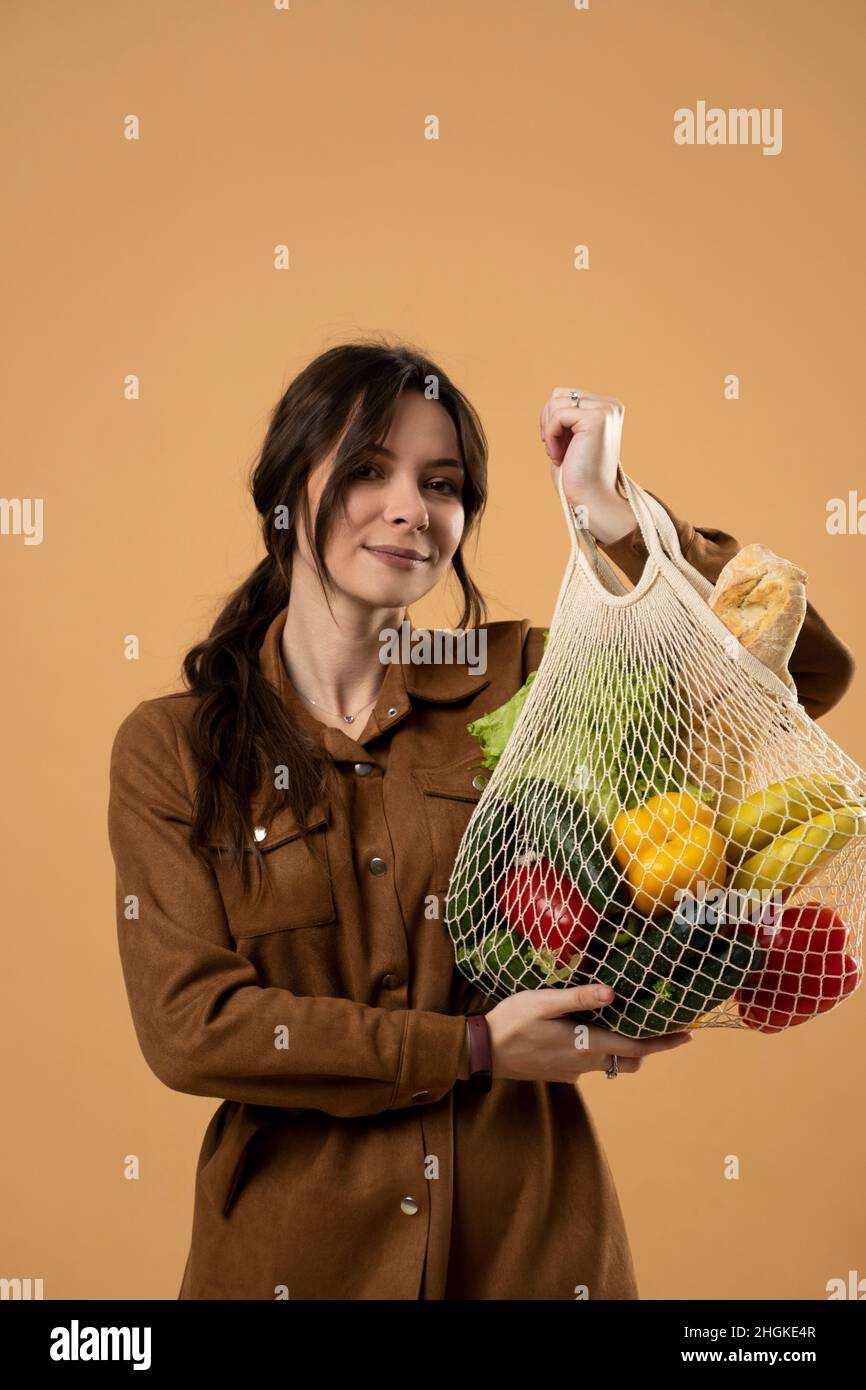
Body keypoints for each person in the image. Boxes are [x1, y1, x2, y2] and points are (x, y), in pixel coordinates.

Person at [107, 338, 855, 1300]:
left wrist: (617, 513)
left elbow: (807, 672)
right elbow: (193, 1029)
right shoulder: (175, 749)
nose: (410, 508)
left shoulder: (527, 682)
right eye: (368, 470)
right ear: (288, 492)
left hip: (536, 1254)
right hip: (295, 1262)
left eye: (443, 483)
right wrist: (473, 1048)